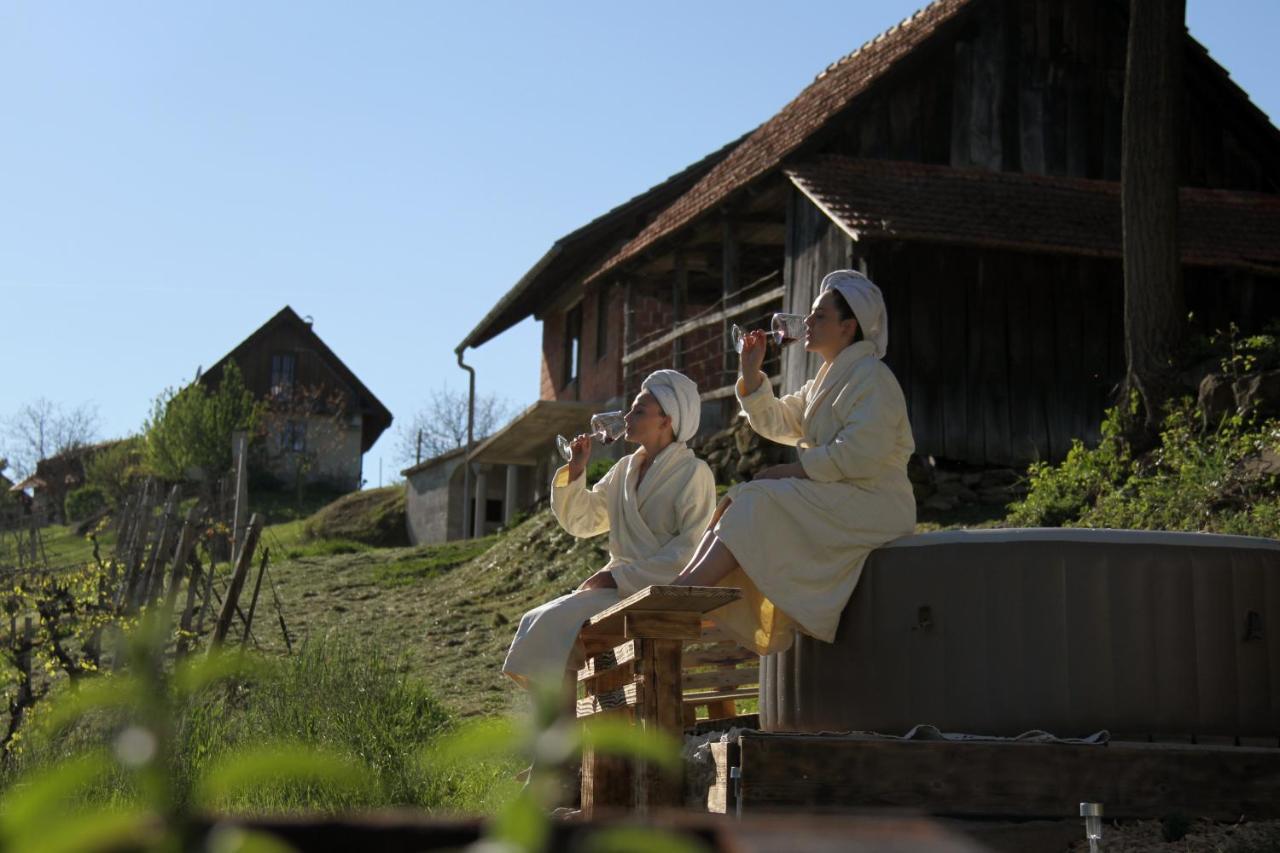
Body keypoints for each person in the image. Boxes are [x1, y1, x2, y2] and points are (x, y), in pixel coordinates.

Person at [672, 270, 916, 655]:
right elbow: (781, 420)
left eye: (819, 316)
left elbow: (860, 454)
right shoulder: (826, 380)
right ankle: (682, 585)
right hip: (840, 494)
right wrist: (751, 372)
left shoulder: (873, 378)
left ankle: (684, 594)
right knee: (743, 497)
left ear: (847, 327)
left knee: (758, 499)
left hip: (876, 502)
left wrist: (795, 470)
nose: (807, 323)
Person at [502, 369, 717, 689]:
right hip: (620, 587)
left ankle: (558, 734)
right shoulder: (623, 471)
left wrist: (615, 577)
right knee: (535, 619)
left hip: (657, 590)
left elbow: (690, 550)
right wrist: (576, 471)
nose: (627, 416)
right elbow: (583, 521)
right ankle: (559, 731)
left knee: (552, 622)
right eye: (630, 409)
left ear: (666, 420)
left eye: (639, 410)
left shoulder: (694, 473)